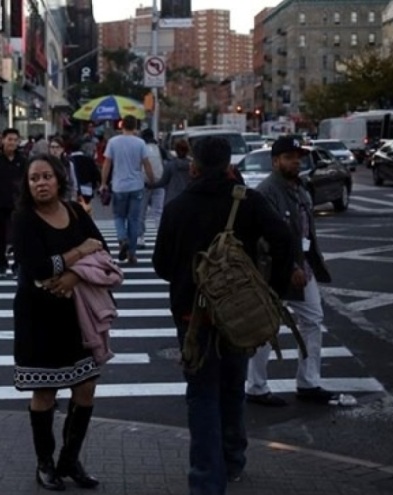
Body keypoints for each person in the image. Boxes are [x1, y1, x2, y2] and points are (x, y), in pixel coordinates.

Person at [152, 136, 293, 495]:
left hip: (192, 316)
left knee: (201, 394)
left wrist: (189, 276)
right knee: (233, 387)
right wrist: (272, 288)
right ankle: (233, 460)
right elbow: (284, 239)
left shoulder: (178, 207)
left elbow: (161, 265)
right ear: (230, 165)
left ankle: (206, 479)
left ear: (194, 167)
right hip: (239, 313)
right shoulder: (247, 202)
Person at [12, 153, 108, 492]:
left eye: (46, 176)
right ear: (27, 184)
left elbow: (103, 249)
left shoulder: (76, 212)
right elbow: (37, 267)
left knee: (85, 387)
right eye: (34, 178)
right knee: (45, 391)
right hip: (37, 317)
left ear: (58, 179)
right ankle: (45, 463)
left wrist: (69, 277)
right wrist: (78, 252)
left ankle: (71, 459)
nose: (40, 183)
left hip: (77, 315)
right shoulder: (23, 219)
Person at [246, 136, 340, 407]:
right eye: (289, 157)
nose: (295, 161)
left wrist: (309, 261)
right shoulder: (267, 192)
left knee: (313, 321)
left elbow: (306, 231)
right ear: (275, 161)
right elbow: (265, 239)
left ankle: (308, 383)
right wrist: (290, 267)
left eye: (298, 156)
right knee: (266, 327)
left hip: (303, 269)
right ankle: (256, 387)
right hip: (276, 271)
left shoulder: (300, 188)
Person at [99, 116, 155, 265]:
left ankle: (122, 239)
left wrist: (103, 183)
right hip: (137, 186)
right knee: (134, 220)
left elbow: (107, 164)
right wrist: (152, 180)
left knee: (118, 216)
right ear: (135, 126)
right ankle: (132, 254)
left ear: (122, 125)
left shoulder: (113, 142)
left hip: (119, 186)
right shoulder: (140, 143)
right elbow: (147, 164)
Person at [0, 128, 27, 278]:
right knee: (0, 237)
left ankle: (17, 265)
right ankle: (1, 264)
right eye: (9, 139)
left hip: (18, 205)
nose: (12, 143)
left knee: (18, 237)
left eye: (15, 140)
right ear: (3, 140)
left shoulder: (22, 160)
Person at [138, 128, 167, 248]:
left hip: (144, 184)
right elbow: (167, 163)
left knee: (141, 211)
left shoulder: (141, 149)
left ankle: (140, 238)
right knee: (158, 212)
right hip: (159, 184)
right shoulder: (159, 149)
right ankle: (160, 237)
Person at [158, 138, 193, 205]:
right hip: (188, 197)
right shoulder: (192, 165)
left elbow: (163, 182)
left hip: (172, 198)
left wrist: (150, 185)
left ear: (176, 150)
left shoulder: (171, 165)